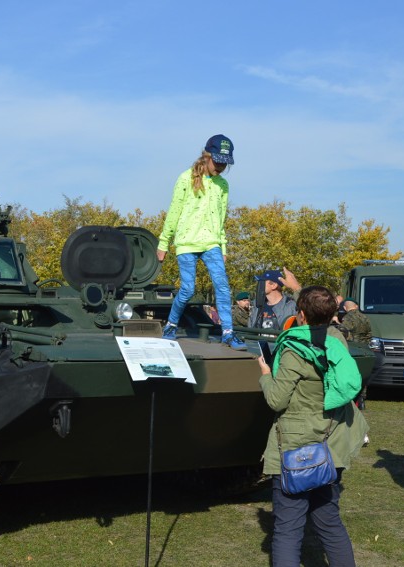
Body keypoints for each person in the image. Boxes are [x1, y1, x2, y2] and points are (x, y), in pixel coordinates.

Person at [256, 285, 368, 567]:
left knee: (287, 530)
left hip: (295, 446)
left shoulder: (295, 349)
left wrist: (266, 374)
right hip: (332, 443)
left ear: (301, 314)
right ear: (332, 313)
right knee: (329, 522)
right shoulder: (337, 341)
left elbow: (276, 400)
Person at [156, 134, 245, 349]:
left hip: (211, 243)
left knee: (222, 286)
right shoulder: (186, 178)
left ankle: (228, 332)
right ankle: (171, 325)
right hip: (187, 242)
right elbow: (175, 210)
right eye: (218, 161)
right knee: (187, 289)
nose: (221, 166)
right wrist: (163, 242)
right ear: (206, 156)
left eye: (225, 163)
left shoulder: (222, 185)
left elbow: (221, 217)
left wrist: (222, 245)